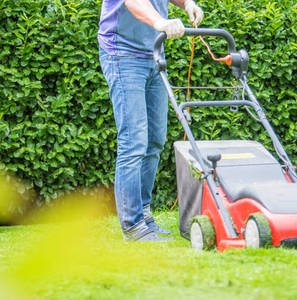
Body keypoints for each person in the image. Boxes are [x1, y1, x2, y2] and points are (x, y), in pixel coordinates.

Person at [98, 0, 204, 241]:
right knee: (133, 141)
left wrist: (187, 4)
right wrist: (160, 22)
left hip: (152, 53)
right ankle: (133, 226)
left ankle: (145, 216)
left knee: (155, 139)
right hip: (122, 53)